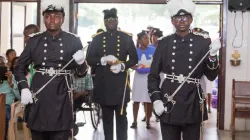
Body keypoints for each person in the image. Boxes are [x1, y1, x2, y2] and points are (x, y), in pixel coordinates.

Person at [14, 0, 88, 139]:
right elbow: (19, 67)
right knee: (38, 134)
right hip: (39, 95)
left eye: (56, 16)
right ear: (43, 20)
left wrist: (81, 62)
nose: (52, 19)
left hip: (62, 95)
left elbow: (81, 73)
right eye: (48, 16)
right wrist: (23, 88)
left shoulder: (73, 40)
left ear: (63, 19)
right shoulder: (34, 40)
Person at [148, 0, 221, 140]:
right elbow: (153, 75)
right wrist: (156, 99)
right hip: (169, 99)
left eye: (185, 17)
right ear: (172, 21)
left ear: (191, 19)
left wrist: (212, 56)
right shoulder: (165, 43)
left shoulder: (203, 41)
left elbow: (211, 76)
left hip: (192, 100)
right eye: (178, 18)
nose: (182, 21)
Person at [86, 8, 138, 140]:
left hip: (120, 84)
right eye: (107, 20)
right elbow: (90, 59)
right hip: (103, 83)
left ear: (117, 20)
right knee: (107, 118)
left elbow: (134, 59)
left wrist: (122, 65)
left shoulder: (126, 37)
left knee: (122, 117)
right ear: (104, 22)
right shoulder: (97, 39)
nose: (110, 22)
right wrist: (102, 60)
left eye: (113, 20)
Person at [130, 30, 154, 129]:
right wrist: (132, 66)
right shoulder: (135, 51)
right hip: (139, 77)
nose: (147, 40)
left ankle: (148, 120)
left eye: (148, 38)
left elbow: (157, 62)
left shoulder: (153, 50)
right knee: (136, 99)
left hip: (149, 77)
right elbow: (130, 62)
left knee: (149, 100)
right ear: (139, 40)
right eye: (145, 38)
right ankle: (135, 120)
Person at [0, 56, 20, 140]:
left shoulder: (12, 77)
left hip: (6, 106)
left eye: (2, 64)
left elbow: (19, 97)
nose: (1, 66)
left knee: (3, 115)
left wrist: (11, 83)